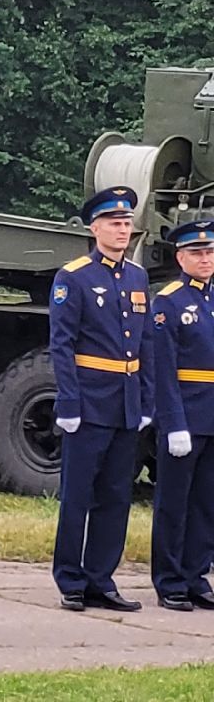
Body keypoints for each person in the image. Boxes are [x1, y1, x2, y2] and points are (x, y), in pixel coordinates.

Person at [49, 185, 153, 612]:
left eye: (127, 223)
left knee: (115, 496)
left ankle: (100, 578)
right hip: (90, 401)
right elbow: (62, 345)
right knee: (78, 495)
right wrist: (69, 403)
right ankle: (70, 579)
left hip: (125, 402)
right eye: (114, 223)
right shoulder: (74, 277)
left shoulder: (138, 277)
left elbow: (145, 344)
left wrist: (145, 402)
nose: (122, 230)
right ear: (95, 229)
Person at [151, 217, 214, 612]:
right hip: (186, 414)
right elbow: (163, 368)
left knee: (206, 503)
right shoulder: (168, 301)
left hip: (212, 414)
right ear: (180, 258)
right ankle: (170, 580)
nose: (205, 259)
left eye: (210, 252)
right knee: (174, 503)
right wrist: (173, 423)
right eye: (197, 253)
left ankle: (195, 575)